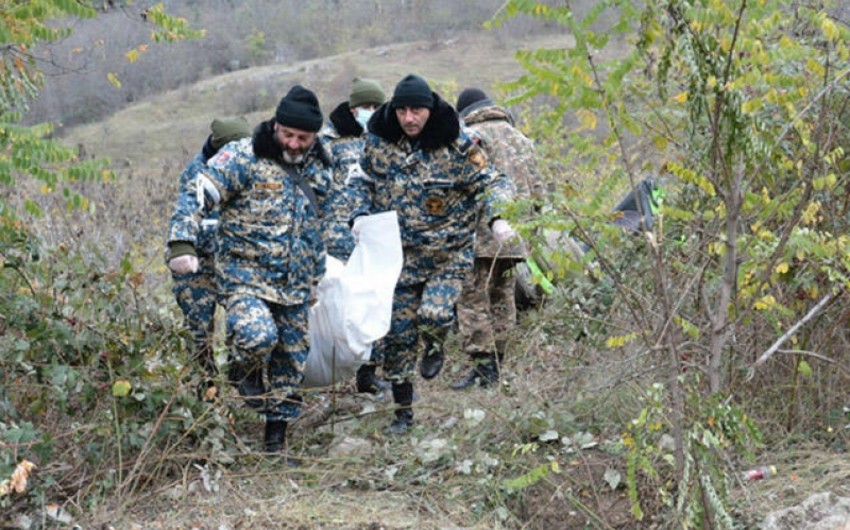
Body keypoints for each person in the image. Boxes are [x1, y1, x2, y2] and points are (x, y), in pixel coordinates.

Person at [167, 85, 331, 460]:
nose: (293, 143)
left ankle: (276, 441)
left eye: (302, 138)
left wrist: (315, 277)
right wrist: (182, 242)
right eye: (287, 134)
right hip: (245, 277)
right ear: (275, 125)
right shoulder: (243, 155)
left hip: (294, 283)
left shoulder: (321, 166)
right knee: (258, 336)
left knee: (292, 361)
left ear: (314, 136)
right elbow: (198, 191)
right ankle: (243, 368)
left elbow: (315, 225)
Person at [347, 74, 516, 435]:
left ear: (429, 109)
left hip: (447, 255)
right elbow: (361, 179)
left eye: (417, 111)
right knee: (398, 338)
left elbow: (493, 182)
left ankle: (436, 342)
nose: (409, 119)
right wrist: (358, 214)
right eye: (402, 111)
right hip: (399, 257)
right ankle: (403, 414)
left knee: (435, 314)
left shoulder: (458, 144)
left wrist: (498, 217)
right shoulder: (379, 142)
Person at [451, 87, 545, 390]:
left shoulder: (471, 137)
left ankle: (484, 368)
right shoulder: (521, 139)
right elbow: (539, 190)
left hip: (481, 233)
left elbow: (463, 186)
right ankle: (499, 362)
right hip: (515, 235)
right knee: (503, 296)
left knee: (473, 298)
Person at [166, 116, 252, 397]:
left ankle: (242, 379)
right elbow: (186, 213)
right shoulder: (197, 172)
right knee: (198, 331)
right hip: (198, 266)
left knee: (243, 322)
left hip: (235, 263)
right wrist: (184, 248)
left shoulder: (252, 167)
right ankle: (206, 389)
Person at [320, 77, 390, 395]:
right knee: (338, 306)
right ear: (352, 109)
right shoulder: (328, 142)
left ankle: (368, 372)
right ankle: (327, 367)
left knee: (373, 303)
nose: (370, 111)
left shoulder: (384, 140)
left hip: (373, 235)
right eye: (365, 106)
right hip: (336, 239)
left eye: (376, 106)